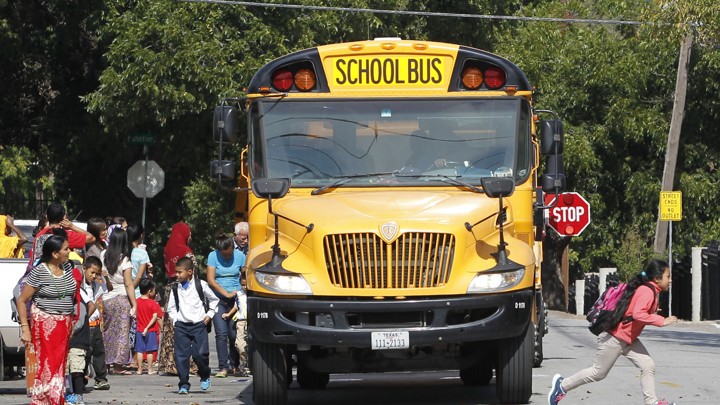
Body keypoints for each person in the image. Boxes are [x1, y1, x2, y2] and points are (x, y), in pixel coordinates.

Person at [548, 259, 679, 405]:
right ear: (657, 278)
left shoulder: (652, 291)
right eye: (668, 276)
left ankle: (652, 402)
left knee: (648, 365)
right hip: (614, 338)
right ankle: (562, 385)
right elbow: (638, 314)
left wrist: (652, 312)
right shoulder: (647, 290)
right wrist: (661, 321)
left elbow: (635, 312)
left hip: (628, 338)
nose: (670, 280)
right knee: (598, 373)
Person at [16, 235, 79, 405]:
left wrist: (71, 320)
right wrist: (25, 328)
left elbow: (70, 297)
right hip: (45, 323)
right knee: (48, 362)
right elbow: (22, 300)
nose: (69, 252)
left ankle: (56, 397)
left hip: (64, 322)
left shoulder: (66, 267)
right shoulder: (39, 271)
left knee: (59, 363)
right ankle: (43, 399)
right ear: (55, 253)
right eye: (66, 249)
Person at [166, 257, 218, 394]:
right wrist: (175, 320)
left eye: (179, 272)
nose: (177, 275)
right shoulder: (175, 288)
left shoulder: (201, 285)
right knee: (181, 356)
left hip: (199, 325)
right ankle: (183, 384)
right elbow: (171, 308)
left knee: (200, 354)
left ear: (190, 272)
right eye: (176, 272)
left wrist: (210, 314)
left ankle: (205, 374)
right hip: (181, 326)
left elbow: (214, 299)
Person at [158, 222, 199, 375]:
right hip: (185, 292)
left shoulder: (167, 249)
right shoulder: (186, 251)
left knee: (171, 326)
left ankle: (170, 364)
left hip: (170, 289)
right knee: (187, 323)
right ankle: (187, 364)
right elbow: (194, 272)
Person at [206, 233, 245, 377]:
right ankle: (223, 366)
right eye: (224, 255)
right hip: (218, 300)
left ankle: (235, 365)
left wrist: (241, 290)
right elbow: (211, 280)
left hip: (236, 300)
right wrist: (225, 293)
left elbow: (245, 276)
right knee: (221, 333)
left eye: (229, 254)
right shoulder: (212, 256)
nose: (227, 257)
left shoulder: (240, 256)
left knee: (233, 334)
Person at [101, 228, 137, 374]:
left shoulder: (103, 255)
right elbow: (129, 284)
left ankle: (105, 362)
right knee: (122, 332)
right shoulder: (125, 260)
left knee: (108, 331)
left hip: (107, 298)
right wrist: (134, 304)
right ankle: (118, 364)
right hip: (122, 299)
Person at [65, 257, 100, 405]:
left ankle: (78, 396)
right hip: (71, 338)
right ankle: (71, 394)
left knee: (77, 368)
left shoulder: (78, 294)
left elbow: (89, 307)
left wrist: (76, 325)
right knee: (70, 368)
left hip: (78, 338)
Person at [29, 202, 94, 266]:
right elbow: (91, 238)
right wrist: (72, 226)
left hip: (40, 272)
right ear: (64, 217)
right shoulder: (66, 235)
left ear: (47, 217)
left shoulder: (40, 235)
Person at [82, 256, 111, 391]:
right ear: (84, 269)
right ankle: (80, 378)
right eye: (92, 272)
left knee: (99, 353)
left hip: (96, 324)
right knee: (85, 354)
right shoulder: (80, 286)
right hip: (85, 324)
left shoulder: (95, 285)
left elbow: (108, 287)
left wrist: (105, 276)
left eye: (96, 274)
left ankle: (101, 379)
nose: (94, 276)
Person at [135, 278, 163, 375]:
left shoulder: (136, 302)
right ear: (149, 291)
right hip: (151, 330)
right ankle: (150, 369)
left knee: (139, 350)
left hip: (139, 329)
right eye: (154, 290)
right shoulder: (153, 303)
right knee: (150, 351)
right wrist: (162, 328)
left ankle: (139, 369)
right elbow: (157, 317)